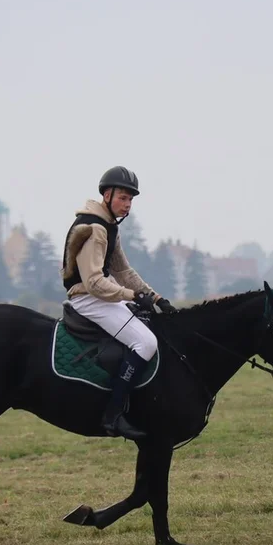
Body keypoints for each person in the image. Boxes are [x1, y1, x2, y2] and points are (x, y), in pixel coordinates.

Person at [60, 166, 177, 440]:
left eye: (131, 200)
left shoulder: (109, 226)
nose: (127, 205)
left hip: (100, 296)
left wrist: (157, 298)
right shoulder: (95, 229)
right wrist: (133, 296)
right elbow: (94, 283)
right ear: (107, 194)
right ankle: (112, 414)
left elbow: (123, 272)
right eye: (123, 198)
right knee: (146, 343)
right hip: (88, 299)